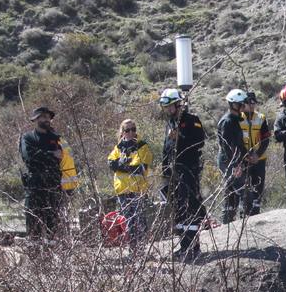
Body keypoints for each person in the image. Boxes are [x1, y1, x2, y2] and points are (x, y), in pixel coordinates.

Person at [159, 88, 206, 259]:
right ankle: (184, 246)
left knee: (190, 207)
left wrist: (181, 136)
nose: (168, 110)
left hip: (189, 171)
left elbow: (200, 141)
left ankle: (194, 247)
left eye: (171, 107)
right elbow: (166, 148)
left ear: (178, 105)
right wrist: (164, 171)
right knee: (179, 209)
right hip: (173, 173)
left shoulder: (192, 120)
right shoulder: (170, 123)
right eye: (166, 107)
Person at [18, 105, 65, 239]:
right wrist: (50, 155)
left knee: (53, 228)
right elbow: (30, 158)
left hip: (53, 187)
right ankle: (35, 255)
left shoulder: (55, 138)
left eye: (48, 117)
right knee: (34, 229)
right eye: (43, 117)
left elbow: (60, 157)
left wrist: (47, 156)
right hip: (35, 188)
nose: (47, 119)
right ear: (35, 119)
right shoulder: (27, 138)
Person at [107, 118, 153, 250]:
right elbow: (111, 163)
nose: (131, 132)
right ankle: (133, 250)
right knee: (128, 222)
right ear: (122, 132)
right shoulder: (118, 148)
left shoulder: (142, 146)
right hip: (122, 190)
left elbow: (140, 168)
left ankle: (143, 250)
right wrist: (125, 164)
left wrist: (121, 165)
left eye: (134, 129)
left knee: (140, 221)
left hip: (137, 189)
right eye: (128, 130)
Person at [216, 88, 251, 224]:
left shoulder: (236, 120)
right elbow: (227, 146)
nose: (243, 106)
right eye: (241, 104)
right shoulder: (228, 121)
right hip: (228, 160)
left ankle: (229, 223)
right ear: (234, 105)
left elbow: (238, 144)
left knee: (232, 190)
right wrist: (236, 164)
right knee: (243, 189)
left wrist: (247, 155)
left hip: (232, 160)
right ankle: (243, 223)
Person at [240, 91, 271, 217]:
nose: (252, 105)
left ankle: (256, 215)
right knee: (244, 188)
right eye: (249, 103)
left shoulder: (261, 118)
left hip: (259, 159)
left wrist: (257, 154)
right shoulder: (238, 118)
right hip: (243, 159)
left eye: (254, 103)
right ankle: (244, 214)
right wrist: (246, 155)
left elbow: (266, 139)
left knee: (258, 186)